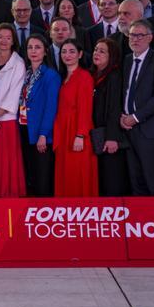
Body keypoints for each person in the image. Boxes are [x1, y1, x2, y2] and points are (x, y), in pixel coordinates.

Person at [119, 20, 154, 195]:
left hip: (149, 129)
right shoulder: (126, 60)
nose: (135, 39)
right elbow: (124, 92)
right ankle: (139, 218)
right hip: (127, 129)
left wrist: (134, 117)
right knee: (135, 178)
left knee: (152, 178)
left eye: (140, 35)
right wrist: (123, 116)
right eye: (132, 35)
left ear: (149, 38)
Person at [0, 24, 26, 198]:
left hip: (6, 120)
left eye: (8, 37)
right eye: (0, 36)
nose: (4, 41)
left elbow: (14, 93)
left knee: (6, 162)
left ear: (13, 40)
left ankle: (8, 197)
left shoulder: (18, 63)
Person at [52, 39, 97, 197]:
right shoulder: (63, 77)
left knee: (77, 173)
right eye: (64, 51)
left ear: (80, 54)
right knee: (65, 172)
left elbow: (85, 109)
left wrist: (80, 135)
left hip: (77, 131)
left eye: (72, 51)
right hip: (63, 132)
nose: (67, 55)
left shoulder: (84, 77)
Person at [17, 34, 60, 197]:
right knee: (31, 176)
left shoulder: (50, 75)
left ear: (45, 52)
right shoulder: (26, 73)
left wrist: (44, 134)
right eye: (30, 47)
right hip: (25, 129)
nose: (33, 51)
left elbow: (51, 108)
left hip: (41, 134)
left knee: (43, 179)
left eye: (37, 47)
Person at [89, 38, 129, 195]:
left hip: (110, 137)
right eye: (95, 50)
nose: (96, 53)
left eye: (102, 51)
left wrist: (112, 137)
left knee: (112, 180)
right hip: (96, 135)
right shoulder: (92, 74)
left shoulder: (114, 75)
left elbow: (114, 108)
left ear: (111, 55)